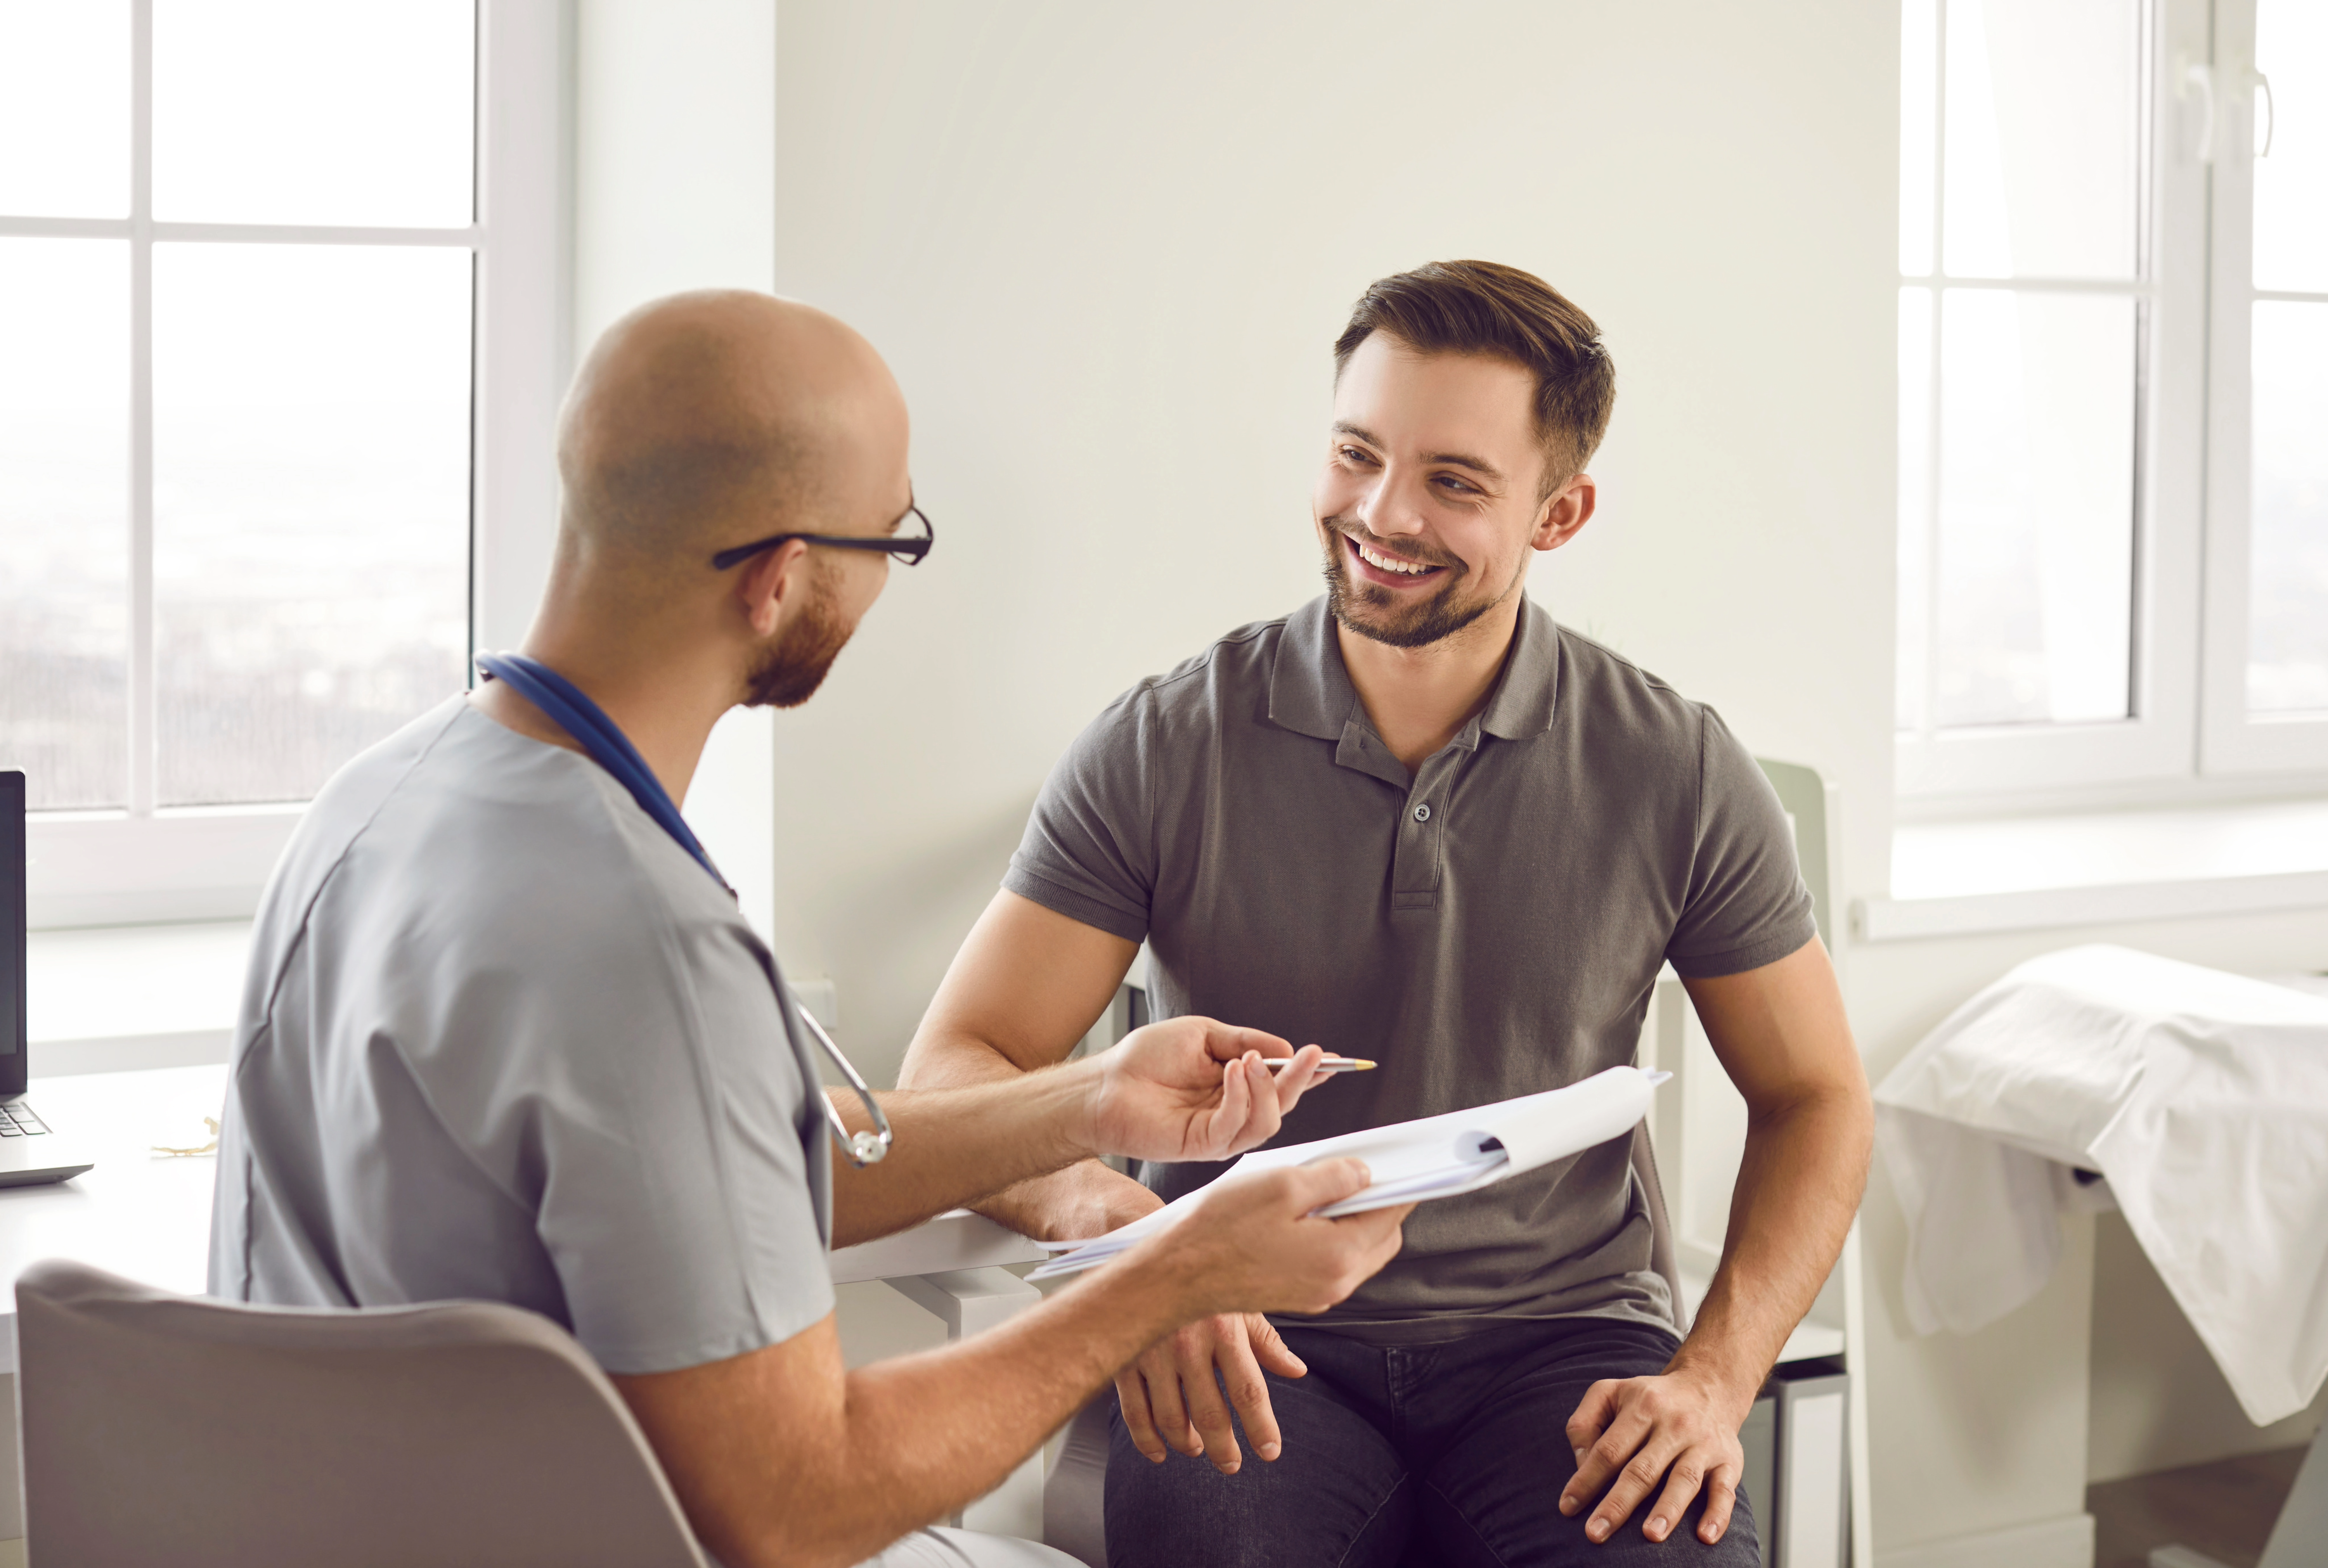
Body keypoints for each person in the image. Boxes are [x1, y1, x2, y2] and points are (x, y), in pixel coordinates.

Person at [207, 289, 1414, 1568]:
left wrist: (1089, 1102)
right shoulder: (642, 946)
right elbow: (793, 1507)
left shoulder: (387, 797)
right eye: (894, 541)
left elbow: (703, 1166)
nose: (889, 580)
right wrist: (1175, 1273)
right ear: (783, 579)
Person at [899, 260, 1875, 1566]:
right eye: (1357, 454)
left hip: (1564, 1348)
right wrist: (1136, 1244)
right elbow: (960, 1070)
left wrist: (1716, 1377)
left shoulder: (1678, 769)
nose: (1381, 513)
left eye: (1455, 482)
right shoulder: (1162, 745)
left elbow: (1818, 1095)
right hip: (1243, 1327)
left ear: (1561, 512)